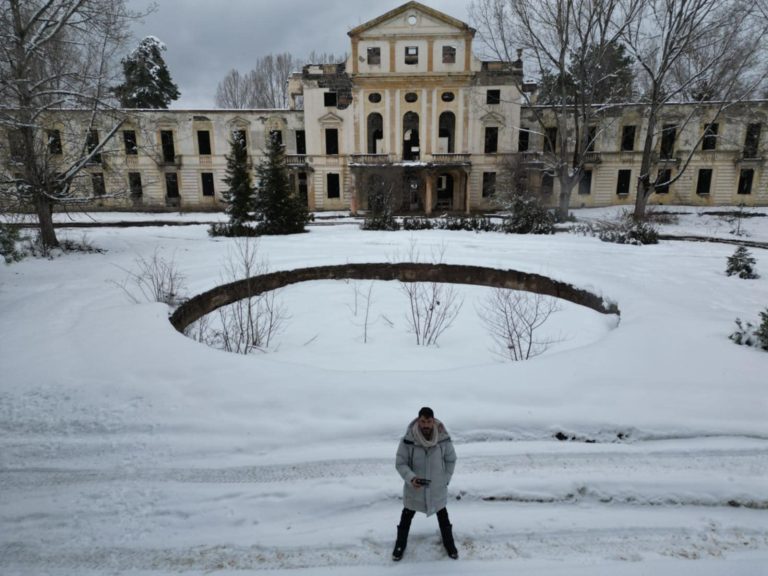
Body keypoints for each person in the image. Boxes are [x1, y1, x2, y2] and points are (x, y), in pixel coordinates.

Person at [392, 406, 458, 561]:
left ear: (433, 421)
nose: (426, 425)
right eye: (423, 421)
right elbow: (400, 463)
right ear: (418, 421)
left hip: (437, 488)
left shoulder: (443, 438)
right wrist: (411, 478)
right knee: (406, 517)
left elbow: (451, 459)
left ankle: (449, 545)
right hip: (414, 489)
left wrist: (445, 479)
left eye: (429, 421)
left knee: (443, 516)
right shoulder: (408, 440)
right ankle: (400, 545)